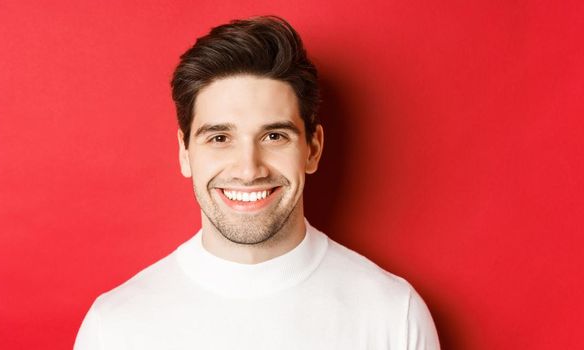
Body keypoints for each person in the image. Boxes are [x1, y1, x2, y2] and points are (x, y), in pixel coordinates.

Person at [74, 15, 440, 349]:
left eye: (274, 136)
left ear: (313, 150)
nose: (249, 170)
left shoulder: (394, 316)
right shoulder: (115, 328)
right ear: (185, 153)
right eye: (220, 138)